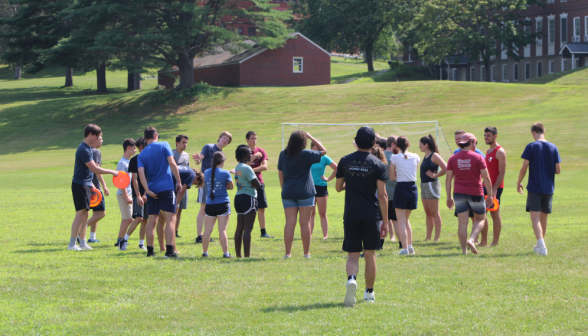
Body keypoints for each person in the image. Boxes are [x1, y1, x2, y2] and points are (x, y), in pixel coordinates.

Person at [336, 126, 388, 307]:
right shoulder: (379, 165)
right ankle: (369, 292)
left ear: (356, 141)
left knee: (352, 254)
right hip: (371, 215)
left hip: (351, 214)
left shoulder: (344, 161)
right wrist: (386, 222)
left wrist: (351, 184)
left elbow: (337, 187)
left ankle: (351, 279)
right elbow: (382, 196)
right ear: (374, 143)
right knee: (370, 254)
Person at [68, 124, 118, 251]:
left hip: (86, 184)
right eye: (97, 136)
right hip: (80, 184)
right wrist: (112, 172)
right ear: (90, 134)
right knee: (80, 214)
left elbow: (90, 172)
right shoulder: (83, 149)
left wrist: (92, 185)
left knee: (85, 214)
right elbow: (94, 168)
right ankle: (72, 244)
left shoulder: (89, 148)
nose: (98, 138)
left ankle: (83, 242)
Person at [278, 131, 326, 259]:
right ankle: (306, 254)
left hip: (288, 192)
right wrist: (311, 136)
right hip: (305, 192)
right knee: (305, 223)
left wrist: (284, 189)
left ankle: (288, 254)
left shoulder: (283, 154)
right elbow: (323, 151)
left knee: (289, 223)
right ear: (303, 142)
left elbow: (280, 174)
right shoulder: (306, 154)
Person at [517, 122, 561, 256]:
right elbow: (557, 170)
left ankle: (542, 246)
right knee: (544, 218)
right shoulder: (554, 147)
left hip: (535, 187)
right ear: (544, 132)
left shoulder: (531, 146)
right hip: (549, 188)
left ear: (533, 133)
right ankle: (539, 245)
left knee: (535, 218)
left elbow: (524, 168)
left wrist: (519, 182)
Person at [138, 127, 182, 258]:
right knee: (170, 219)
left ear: (145, 139)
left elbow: (141, 172)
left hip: (152, 189)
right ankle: (169, 251)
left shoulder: (142, 154)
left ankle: (150, 251)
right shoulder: (164, 144)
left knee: (152, 220)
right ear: (156, 135)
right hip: (166, 187)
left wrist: (147, 190)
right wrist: (178, 181)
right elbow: (172, 163)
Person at [446, 133, 493, 255]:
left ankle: (463, 251)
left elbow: (448, 180)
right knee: (481, 218)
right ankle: (472, 239)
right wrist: (491, 195)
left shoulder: (452, 158)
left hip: (459, 193)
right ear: (471, 142)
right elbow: (486, 178)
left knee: (462, 223)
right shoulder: (478, 157)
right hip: (476, 192)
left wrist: (448, 197)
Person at [193, 131, 232, 243]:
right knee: (203, 208)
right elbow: (200, 158)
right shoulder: (209, 147)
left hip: (215, 184)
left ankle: (206, 235)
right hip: (205, 182)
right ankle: (200, 236)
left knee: (209, 209)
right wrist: (198, 159)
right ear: (219, 138)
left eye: (227, 140)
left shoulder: (221, 153)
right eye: (224, 138)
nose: (225, 140)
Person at [389, 136, 420, 255]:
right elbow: (412, 172)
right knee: (406, 220)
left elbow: (392, 178)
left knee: (401, 221)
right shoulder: (416, 156)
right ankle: (410, 246)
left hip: (401, 188)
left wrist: (397, 173)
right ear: (408, 145)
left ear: (396, 146)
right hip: (412, 189)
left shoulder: (394, 157)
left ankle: (405, 248)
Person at [202, 152, 234, 258]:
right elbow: (231, 187)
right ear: (223, 161)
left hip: (210, 204)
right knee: (222, 230)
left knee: (207, 230)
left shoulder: (206, 172)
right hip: (223, 203)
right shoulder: (225, 173)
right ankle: (226, 253)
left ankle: (205, 253)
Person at [479, 127, 506, 247]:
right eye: (485, 135)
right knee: (482, 213)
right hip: (486, 186)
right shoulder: (488, 151)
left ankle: (495, 242)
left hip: (496, 187)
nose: (486, 137)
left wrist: (494, 188)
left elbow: (502, 173)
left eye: (488, 135)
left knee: (494, 214)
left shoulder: (500, 152)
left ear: (495, 136)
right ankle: (483, 241)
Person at [233, 145, 261, 258]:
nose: (251, 154)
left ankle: (238, 255)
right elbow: (258, 184)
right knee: (248, 229)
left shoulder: (237, 167)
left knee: (239, 227)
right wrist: (253, 185)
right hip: (249, 197)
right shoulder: (247, 168)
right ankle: (247, 256)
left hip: (238, 198)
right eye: (249, 153)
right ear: (244, 154)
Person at [419, 135, 447, 242]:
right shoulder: (426, 156)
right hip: (423, 185)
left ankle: (436, 238)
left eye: (420, 144)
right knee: (428, 213)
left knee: (434, 212)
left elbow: (446, 167)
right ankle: (428, 237)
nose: (419, 146)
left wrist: (435, 176)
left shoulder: (434, 155)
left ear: (426, 145)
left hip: (431, 185)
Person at [245, 131, 273, 238]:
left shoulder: (261, 151)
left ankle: (263, 232)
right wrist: (253, 157)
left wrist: (250, 170)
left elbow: (264, 167)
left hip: (259, 183)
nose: (254, 140)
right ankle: (246, 231)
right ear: (247, 139)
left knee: (261, 208)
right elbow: (242, 166)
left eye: (255, 138)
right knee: (247, 208)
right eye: (252, 138)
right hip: (246, 184)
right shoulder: (244, 151)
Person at [309, 138, 337, 239]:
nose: (318, 148)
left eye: (320, 146)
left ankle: (325, 235)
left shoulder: (325, 158)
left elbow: (337, 168)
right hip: (309, 187)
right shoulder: (308, 157)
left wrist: (328, 179)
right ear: (312, 147)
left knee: (322, 212)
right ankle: (309, 234)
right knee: (311, 213)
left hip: (321, 187)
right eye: (316, 145)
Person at [171, 165, 200, 253]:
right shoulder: (191, 175)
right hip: (168, 186)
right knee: (171, 220)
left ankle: (162, 247)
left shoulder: (187, 169)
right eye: (195, 183)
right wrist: (175, 205)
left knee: (160, 219)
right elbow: (181, 191)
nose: (192, 184)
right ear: (197, 177)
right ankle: (173, 248)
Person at [126, 137, 148, 250]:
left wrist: (146, 194)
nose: (141, 150)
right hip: (138, 193)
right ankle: (124, 240)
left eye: (143, 148)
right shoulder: (134, 160)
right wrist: (139, 195)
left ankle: (141, 244)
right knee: (139, 218)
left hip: (148, 193)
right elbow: (134, 179)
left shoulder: (150, 159)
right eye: (139, 148)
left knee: (145, 219)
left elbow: (150, 179)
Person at [86, 136, 109, 243]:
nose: (102, 141)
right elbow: (97, 170)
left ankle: (92, 237)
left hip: (86, 186)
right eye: (100, 139)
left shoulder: (87, 150)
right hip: (95, 188)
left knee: (95, 213)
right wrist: (104, 186)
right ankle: (81, 230)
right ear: (94, 140)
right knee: (101, 213)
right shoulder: (96, 152)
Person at [116, 138, 136, 251]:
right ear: (128, 148)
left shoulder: (128, 161)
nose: (135, 150)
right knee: (129, 219)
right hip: (124, 194)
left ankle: (120, 241)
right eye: (134, 148)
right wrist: (127, 195)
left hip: (127, 193)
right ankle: (120, 242)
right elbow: (120, 181)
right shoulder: (122, 163)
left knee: (125, 219)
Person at [172, 134, 190, 238]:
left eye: (186, 143)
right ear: (177, 143)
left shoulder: (186, 155)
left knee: (180, 209)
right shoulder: (172, 154)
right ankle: (170, 228)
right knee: (175, 209)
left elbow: (187, 168)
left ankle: (176, 231)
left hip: (184, 185)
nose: (185, 144)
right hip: (174, 185)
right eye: (183, 142)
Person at [384, 136, 399, 246]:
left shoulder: (377, 156)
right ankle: (402, 244)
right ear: (393, 144)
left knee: (382, 219)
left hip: (379, 193)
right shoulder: (395, 158)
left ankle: (379, 244)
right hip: (393, 193)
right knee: (396, 220)